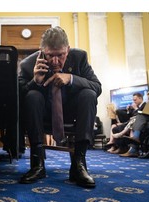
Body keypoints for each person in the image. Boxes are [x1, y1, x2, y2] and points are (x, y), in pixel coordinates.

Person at [18, 26, 102, 188]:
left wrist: (71, 78)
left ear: (68, 50)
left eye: (61, 55)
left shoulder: (79, 57)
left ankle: (79, 164)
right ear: (42, 51)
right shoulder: (28, 64)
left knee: (89, 94)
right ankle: (37, 164)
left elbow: (97, 87)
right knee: (32, 96)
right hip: (42, 114)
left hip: (71, 112)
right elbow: (17, 99)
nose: (55, 61)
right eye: (50, 56)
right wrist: (35, 81)